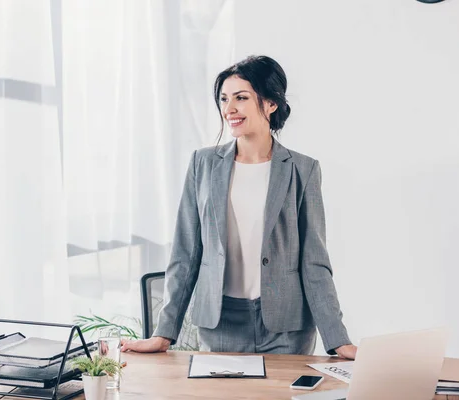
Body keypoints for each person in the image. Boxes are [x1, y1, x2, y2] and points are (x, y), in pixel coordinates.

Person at [121, 55, 357, 359]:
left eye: (241, 98)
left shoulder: (302, 170)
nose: (228, 109)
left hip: (286, 329)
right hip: (221, 324)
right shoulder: (202, 164)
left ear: (271, 103)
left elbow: (314, 262)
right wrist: (163, 334)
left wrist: (339, 340)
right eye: (224, 99)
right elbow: (186, 254)